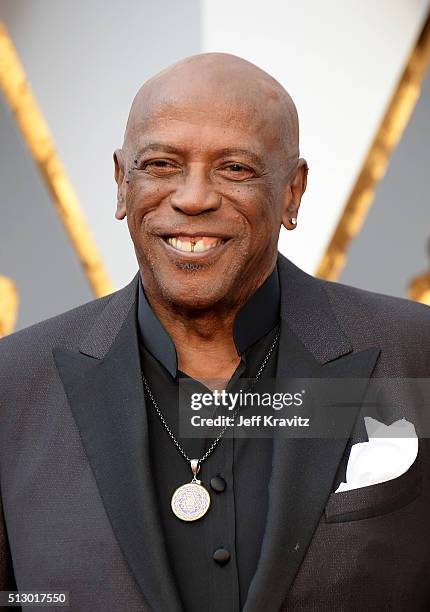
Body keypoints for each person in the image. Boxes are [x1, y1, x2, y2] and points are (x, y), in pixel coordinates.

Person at [1, 53, 430, 612]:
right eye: (160, 165)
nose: (194, 197)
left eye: (234, 169)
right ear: (120, 184)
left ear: (292, 193)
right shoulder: (14, 387)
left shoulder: (416, 357)